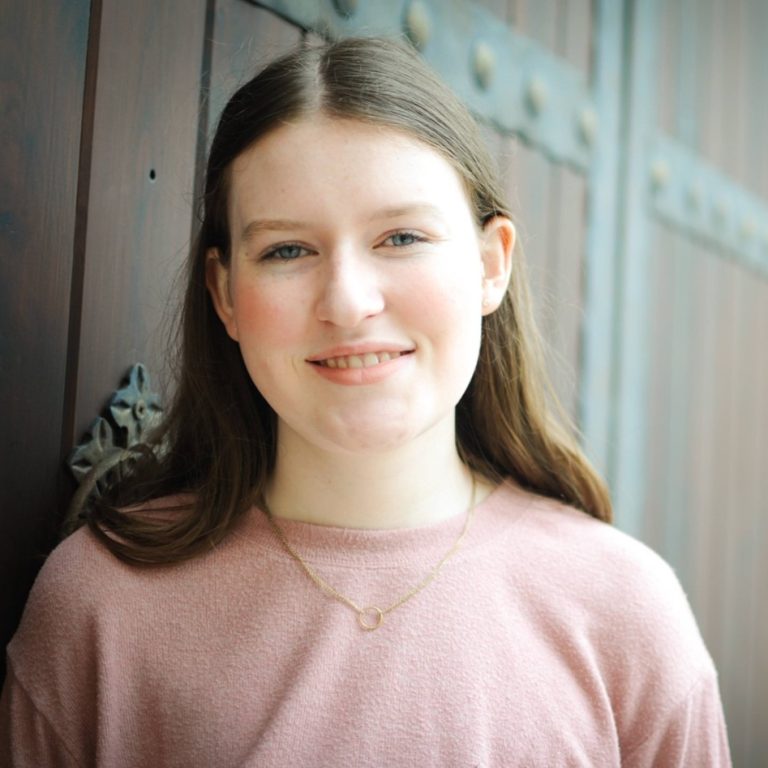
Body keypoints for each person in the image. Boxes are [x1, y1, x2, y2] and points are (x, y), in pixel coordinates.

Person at [0, 36, 730, 767]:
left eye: (401, 237)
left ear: (490, 264)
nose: (348, 302)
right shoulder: (99, 609)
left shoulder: (627, 615)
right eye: (288, 250)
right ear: (224, 292)